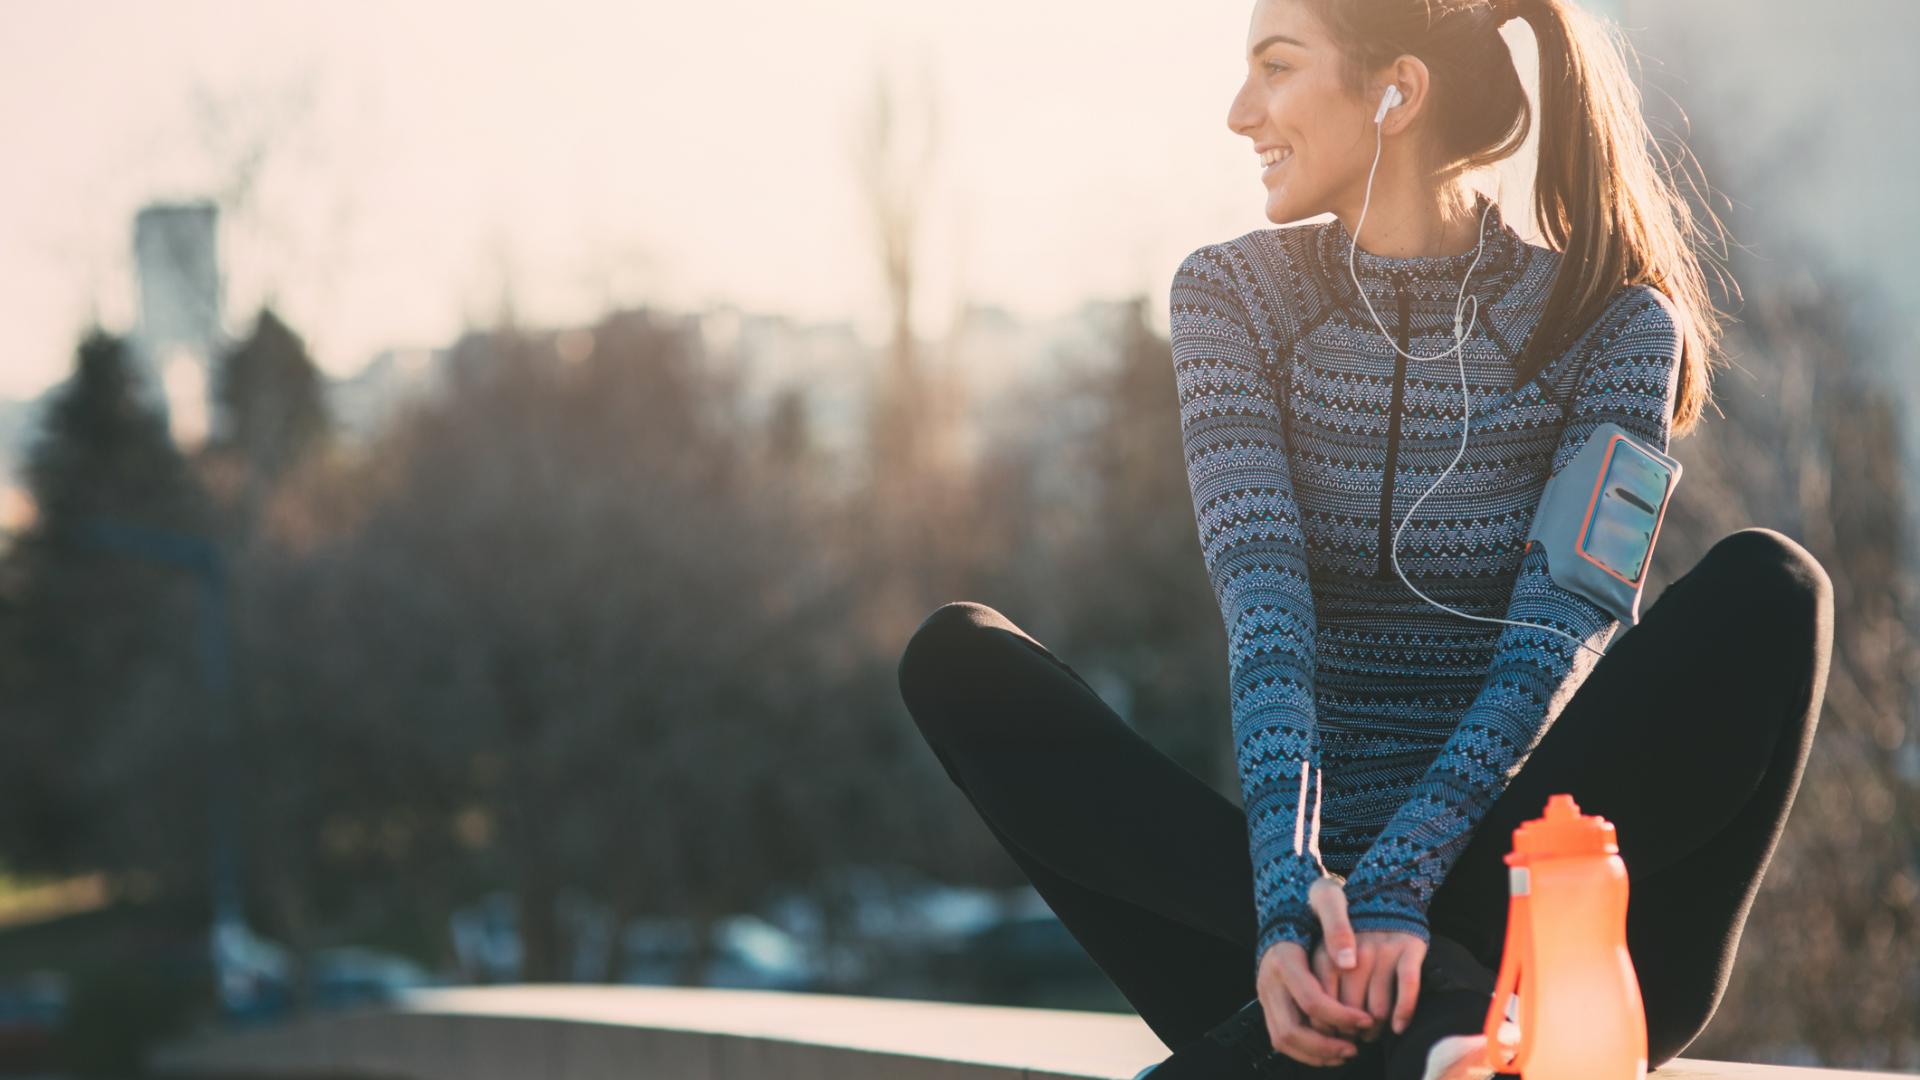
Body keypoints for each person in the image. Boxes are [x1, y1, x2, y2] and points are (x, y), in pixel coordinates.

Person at [896, 0, 1834, 1077]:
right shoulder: (1233, 301)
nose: (1240, 111)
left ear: (1397, 91)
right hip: (1282, 934)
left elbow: (1551, 647)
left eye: (1277, 67)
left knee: (1771, 588)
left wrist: (1405, 889)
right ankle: (1424, 1021)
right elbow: (1268, 626)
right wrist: (1298, 906)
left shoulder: (1612, 324)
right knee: (957, 661)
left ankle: (1390, 1014)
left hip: (1549, 925)